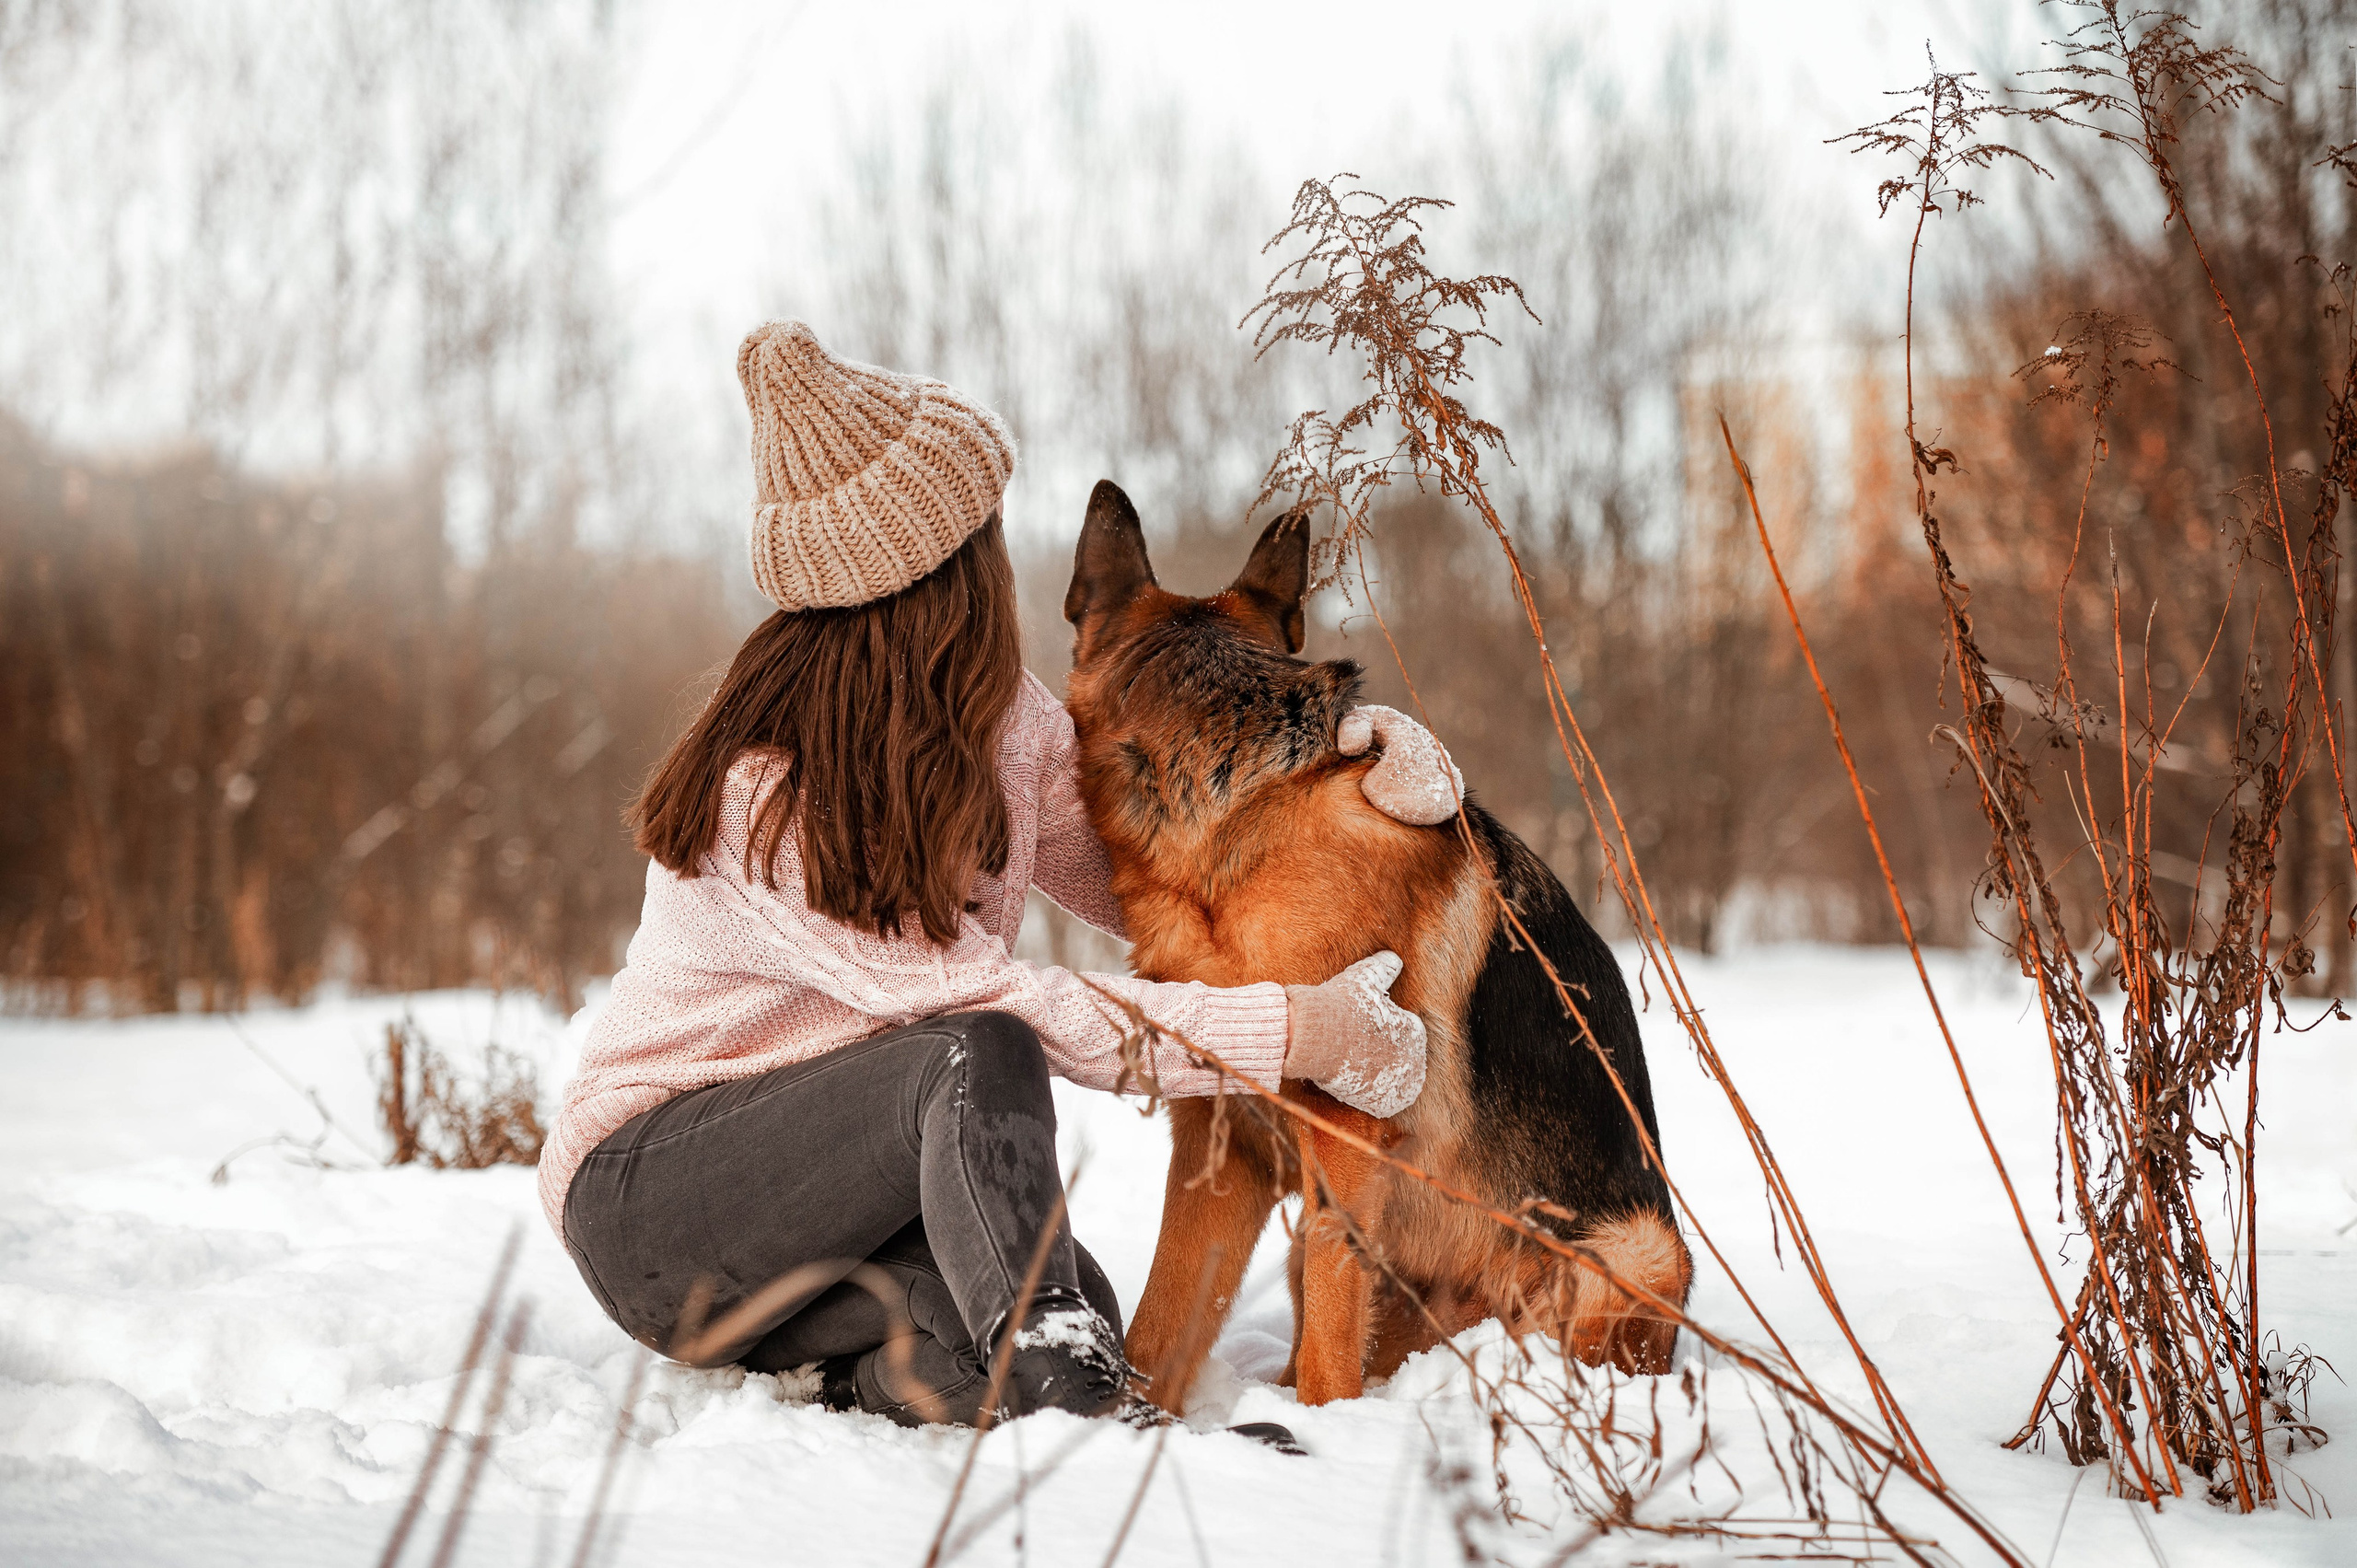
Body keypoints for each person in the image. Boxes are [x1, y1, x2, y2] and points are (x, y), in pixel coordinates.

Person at [543, 321, 1454, 1429]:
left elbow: (1158, 869)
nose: (1004, 556)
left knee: (1064, 1317)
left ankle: (841, 1376)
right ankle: (1096, 1428)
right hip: (659, 1208)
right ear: (940, 571)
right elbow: (1004, 1006)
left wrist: (1336, 768)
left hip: (839, 1212)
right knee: (976, 1053)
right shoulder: (764, 787)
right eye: (987, 530)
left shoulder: (1007, 723)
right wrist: (1297, 1032)